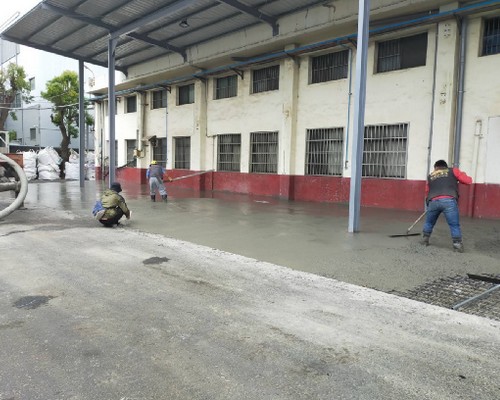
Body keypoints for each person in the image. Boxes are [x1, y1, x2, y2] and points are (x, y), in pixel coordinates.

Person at [422, 160, 472, 252]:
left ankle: (425, 240)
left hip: (433, 201)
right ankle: (457, 245)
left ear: (436, 167)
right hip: (449, 201)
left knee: (429, 222)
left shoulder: (431, 176)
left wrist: (429, 204)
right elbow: (468, 181)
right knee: (454, 224)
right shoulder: (453, 171)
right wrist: (462, 174)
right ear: (445, 166)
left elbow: (427, 191)